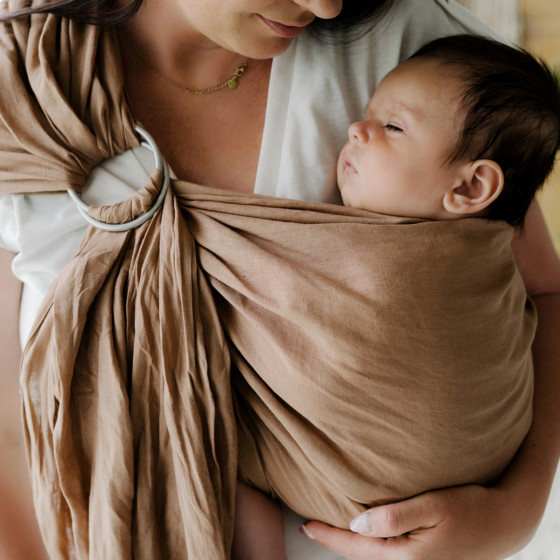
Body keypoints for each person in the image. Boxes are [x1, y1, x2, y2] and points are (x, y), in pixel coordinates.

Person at [0, 1, 559, 559]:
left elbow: (539, 291)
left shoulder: (424, 57)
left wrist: (518, 511)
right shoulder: (23, 87)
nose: (326, 5)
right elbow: (12, 413)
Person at [231, 33, 560, 560]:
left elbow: (547, 289)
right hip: (434, 487)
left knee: (227, 459)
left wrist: (520, 509)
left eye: (392, 126)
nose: (356, 129)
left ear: (472, 189)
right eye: (368, 115)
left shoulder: (472, 251)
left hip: (474, 488)